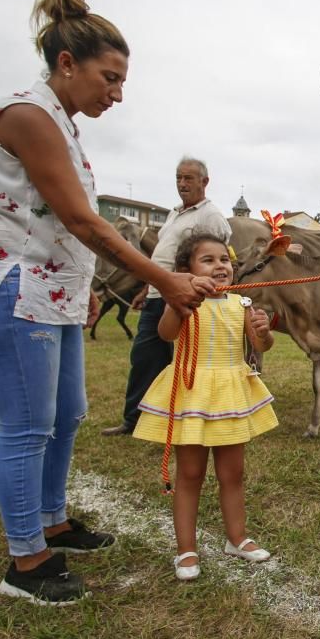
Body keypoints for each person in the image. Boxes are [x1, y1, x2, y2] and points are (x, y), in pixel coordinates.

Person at [0, 0, 212, 605]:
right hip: (13, 288)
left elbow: (60, 225)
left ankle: (54, 521)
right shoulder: (27, 114)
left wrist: (82, 284)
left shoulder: (61, 122)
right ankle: (25, 561)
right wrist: (163, 278)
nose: (116, 94)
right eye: (109, 78)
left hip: (51, 290)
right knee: (28, 426)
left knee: (68, 415)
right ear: (67, 64)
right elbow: (86, 220)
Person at [132, 232, 278, 580]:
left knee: (233, 473)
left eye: (225, 260)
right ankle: (186, 550)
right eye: (208, 260)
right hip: (193, 393)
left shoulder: (240, 304)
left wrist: (264, 330)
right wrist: (175, 300)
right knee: (190, 474)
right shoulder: (184, 302)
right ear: (186, 270)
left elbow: (261, 345)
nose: (220, 266)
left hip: (229, 396)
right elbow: (167, 334)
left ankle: (237, 538)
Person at [102, 157, 231, 436]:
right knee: (145, 357)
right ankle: (134, 420)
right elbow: (162, 258)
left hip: (185, 295)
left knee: (182, 362)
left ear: (204, 182)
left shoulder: (211, 216)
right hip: (156, 293)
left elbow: (217, 259)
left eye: (189, 178)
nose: (182, 184)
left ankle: (184, 421)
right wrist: (144, 290)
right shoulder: (174, 214)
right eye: (179, 178)